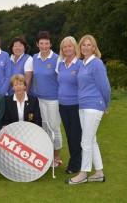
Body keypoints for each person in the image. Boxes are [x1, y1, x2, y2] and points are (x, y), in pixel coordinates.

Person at [65, 35, 111, 184]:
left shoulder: (96, 63)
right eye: (83, 45)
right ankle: (99, 173)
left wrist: (105, 105)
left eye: (89, 45)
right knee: (92, 140)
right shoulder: (83, 63)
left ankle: (83, 173)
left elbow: (105, 87)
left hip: (93, 106)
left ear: (94, 47)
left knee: (85, 141)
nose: (85, 47)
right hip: (83, 106)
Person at [32, 31, 62, 167]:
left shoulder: (57, 58)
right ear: (37, 44)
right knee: (44, 128)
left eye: (47, 43)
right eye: (41, 43)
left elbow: (62, 80)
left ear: (50, 44)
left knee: (54, 128)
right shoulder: (34, 58)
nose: (44, 46)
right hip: (40, 99)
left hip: (54, 99)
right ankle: (47, 155)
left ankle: (56, 157)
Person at [56, 36, 82, 174]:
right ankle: (76, 161)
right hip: (62, 105)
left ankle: (75, 164)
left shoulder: (80, 64)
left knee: (75, 135)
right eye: (64, 47)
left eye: (69, 46)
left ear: (75, 47)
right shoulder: (61, 63)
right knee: (69, 134)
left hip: (75, 105)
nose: (67, 49)